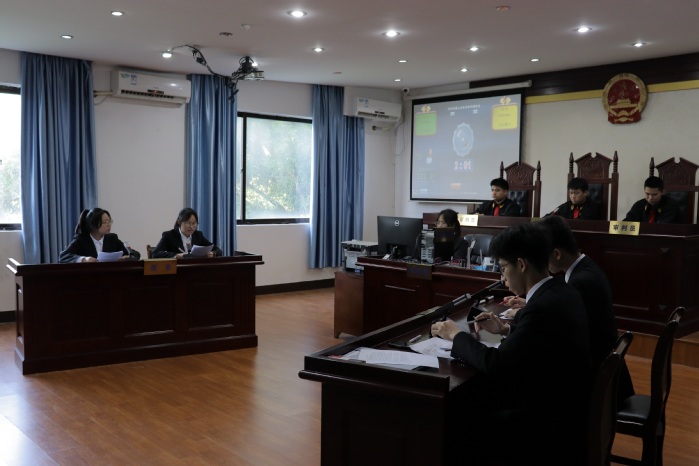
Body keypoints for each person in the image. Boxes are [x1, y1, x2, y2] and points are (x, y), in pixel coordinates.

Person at [431, 223, 591, 465]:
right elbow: (541, 341)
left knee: (457, 410)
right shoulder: (563, 291)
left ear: (522, 264)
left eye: (504, 268)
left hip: (544, 422)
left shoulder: (541, 307)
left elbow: (498, 365)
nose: (502, 278)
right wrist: (506, 329)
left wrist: (456, 335)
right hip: (566, 406)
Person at [537, 215, 634, 399]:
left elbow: (565, 332)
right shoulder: (586, 267)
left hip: (597, 381)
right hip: (606, 370)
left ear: (557, 254)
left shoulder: (580, 282)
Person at [59, 208, 140, 263]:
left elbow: (135, 254)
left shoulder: (112, 239)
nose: (109, 225)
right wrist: (83, 259)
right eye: (105, 222)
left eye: (109, 221)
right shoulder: (81, 240)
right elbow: (63, 256)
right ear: (93, 225)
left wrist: (128, 257)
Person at [153, 208, 223, 258]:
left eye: (194, 223)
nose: (191, 226)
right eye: (188, 223)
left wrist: (213, 253)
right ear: (179, 222)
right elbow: (155, 253)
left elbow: (218, 250)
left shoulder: (198, 235)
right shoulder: (169, 235)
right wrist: (176, 255)